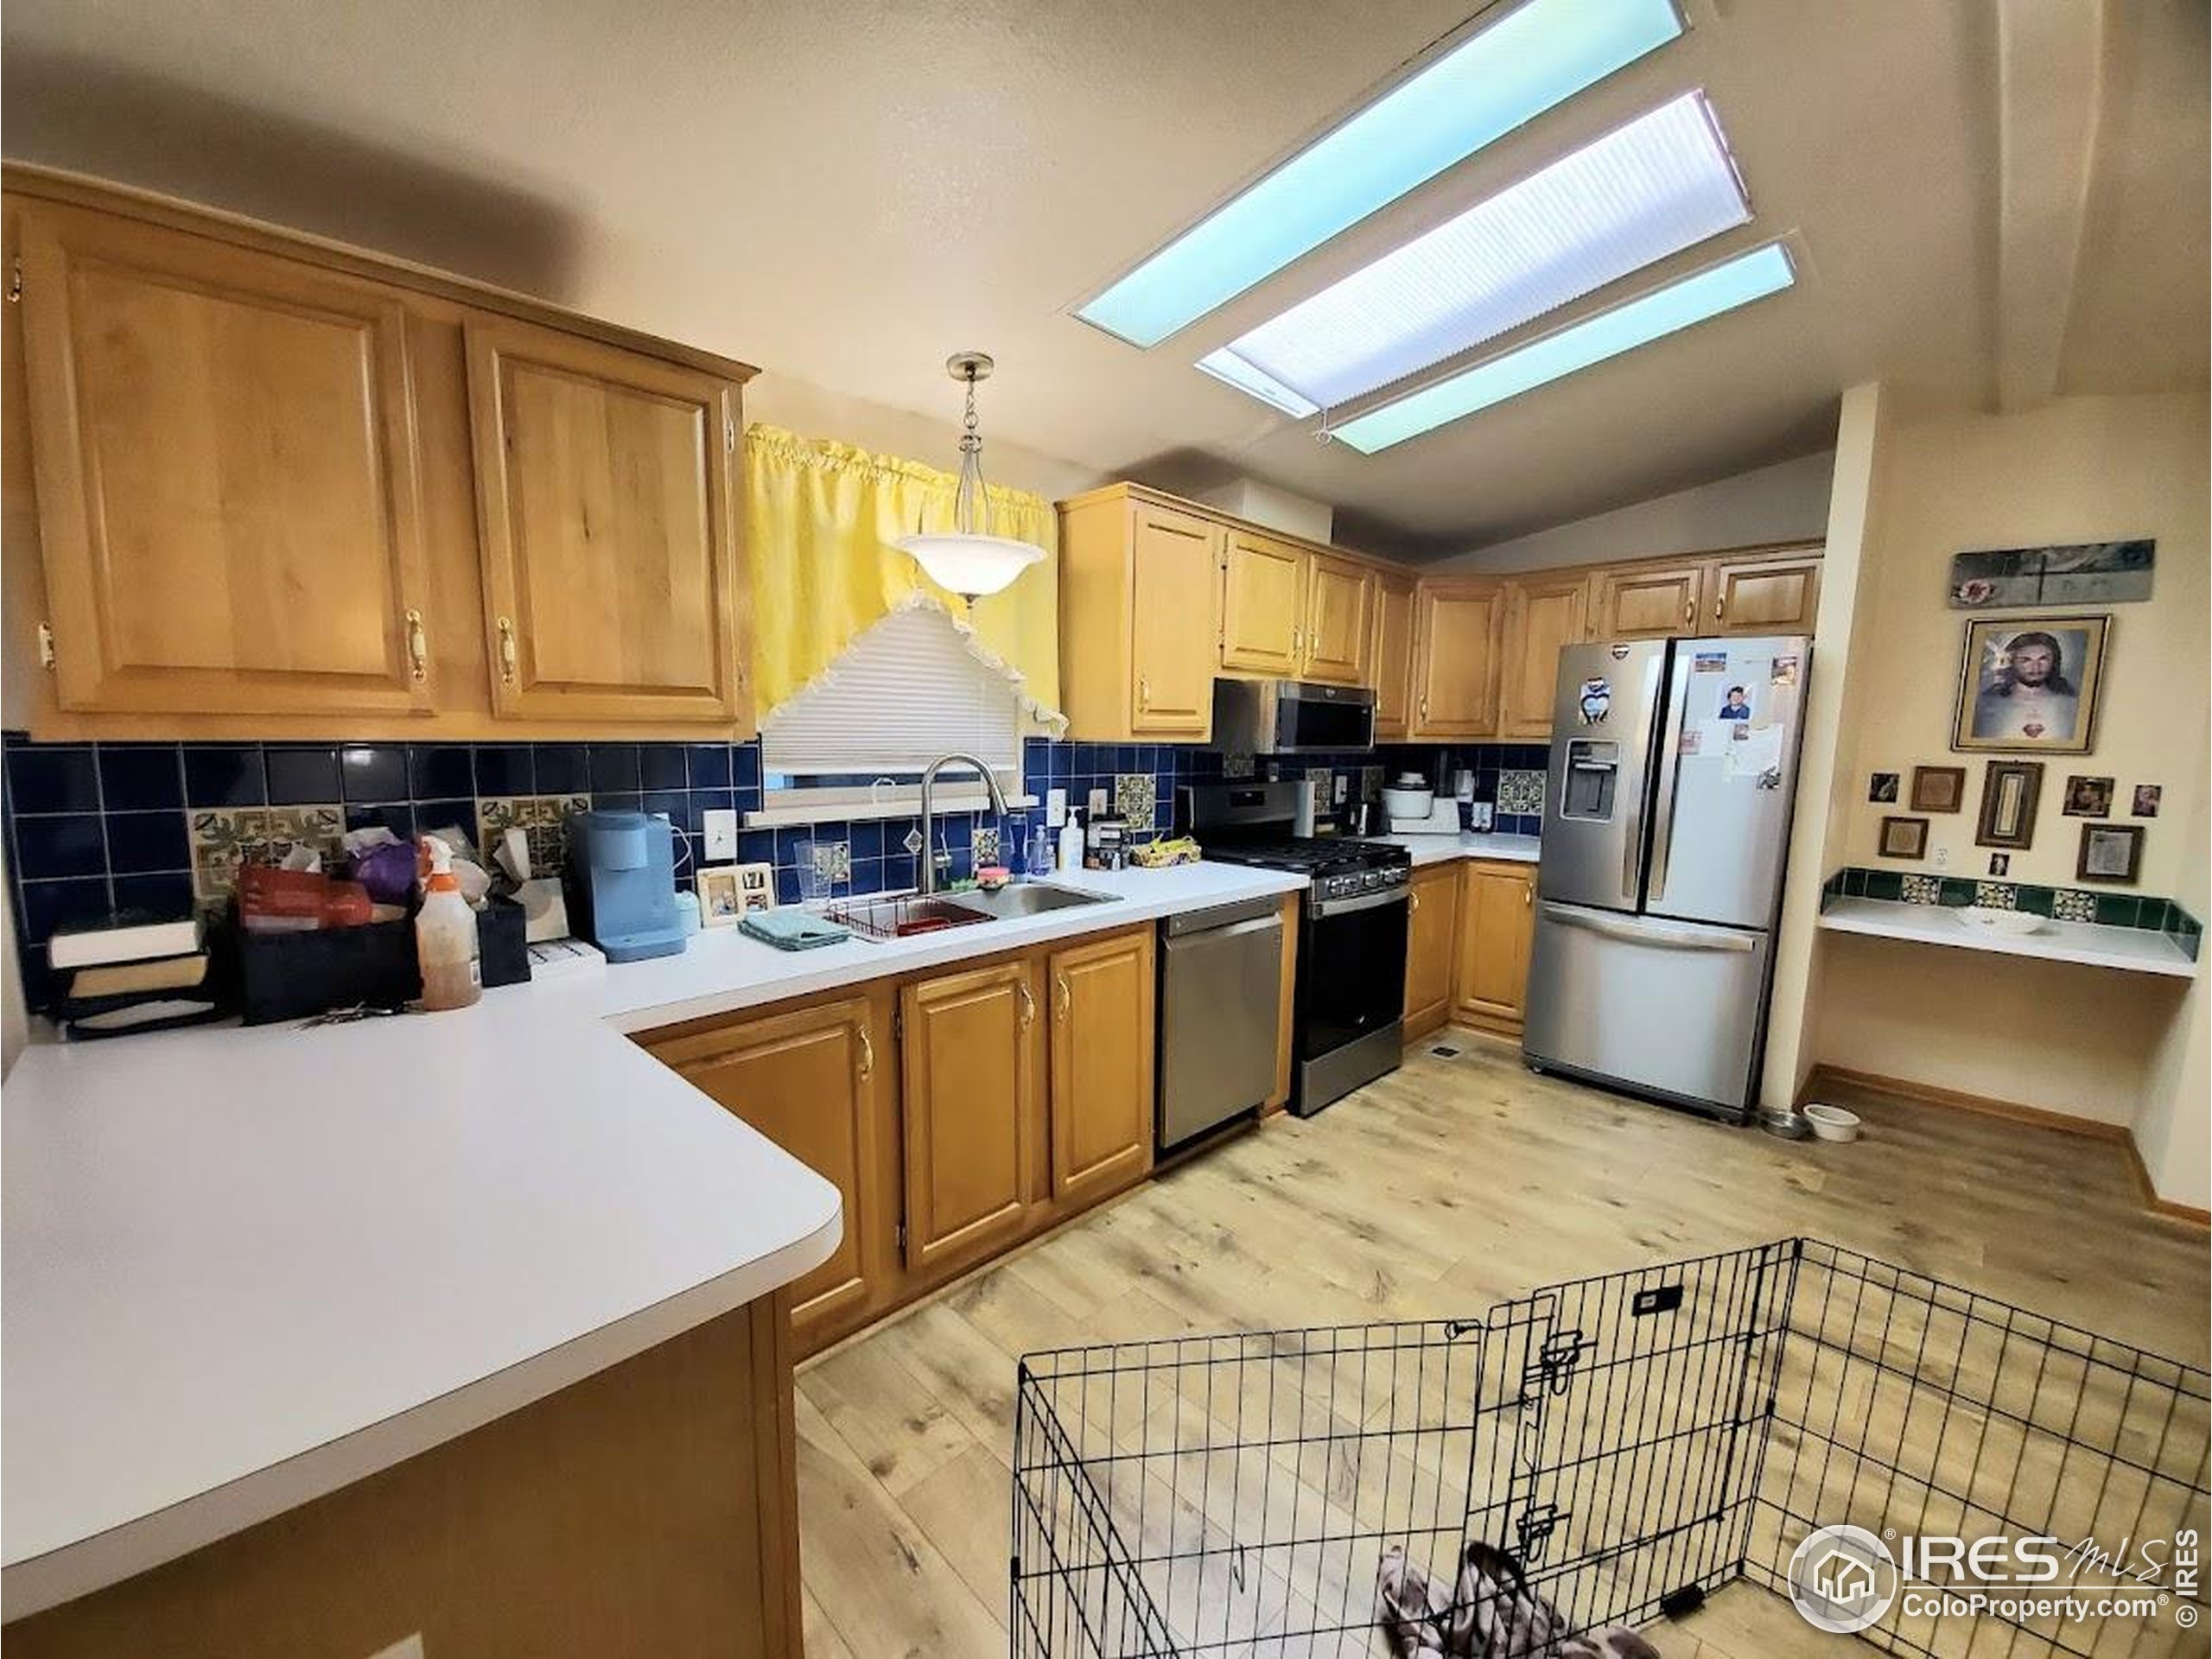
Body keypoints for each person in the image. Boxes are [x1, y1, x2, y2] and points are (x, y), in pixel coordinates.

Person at [1972, 630, 2079, 742]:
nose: (2035, 667)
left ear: (2054, 662)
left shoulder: (2070, 704)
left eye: (2043, 659)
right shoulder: (1987, 703)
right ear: (2012, 662)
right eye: (2025, 660)